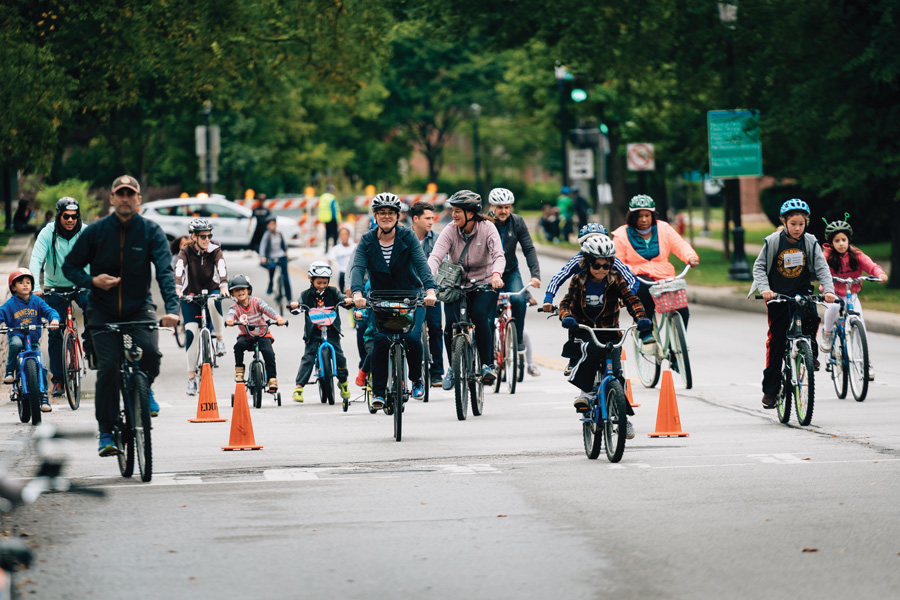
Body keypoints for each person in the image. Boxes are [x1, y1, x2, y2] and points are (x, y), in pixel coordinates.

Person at [62, 174, 180, 456]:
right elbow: (71, 267)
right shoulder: (97, 231)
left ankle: (144, 387)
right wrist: (92, 281)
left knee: (149, 353)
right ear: (112, 199)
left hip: (139, 306)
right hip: (102, 309)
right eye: (120, 194)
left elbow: (165, 272)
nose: (125, 199)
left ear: (139, 199)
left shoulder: (152, 232)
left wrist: (173, 310)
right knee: (109, 371)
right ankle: (106, 432)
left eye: (131, 194)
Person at [558, 236, 654, 439]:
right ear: (587, 262)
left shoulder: (615, 278)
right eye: (597, 265)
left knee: (617, 374)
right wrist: (566, 317)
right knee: (590, 352)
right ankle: (586, 394)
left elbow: (631, 299)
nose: (602, 269)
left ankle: (622, 418)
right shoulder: (578, 279)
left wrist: (642, 318)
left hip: (609, 330)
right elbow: (566, 303)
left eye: (607, 264)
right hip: (584, 330)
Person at [350, 192, 437, 409]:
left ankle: (416, 379)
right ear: (375, 216)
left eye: (390, 213)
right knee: (379, 339)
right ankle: (379, 392)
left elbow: (421, 264)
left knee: (413, 338)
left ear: (397, 216)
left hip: (411, 297)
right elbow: (358, 268)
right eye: (381, 213)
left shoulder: (407, 237)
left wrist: (430, 290)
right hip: (381, 299)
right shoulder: (368, 240)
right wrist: (358, 294)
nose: (386, 216)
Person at [747, 198, 835, 409]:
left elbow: (822, 268)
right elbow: (759, 268)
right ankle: (770, 390)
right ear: (784, 222)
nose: (797, 228)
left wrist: (829, 290)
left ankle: (809, 351)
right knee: (777, 341)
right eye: (793, 224)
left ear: (806, 223)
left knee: (813, 317)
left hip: (802, 291)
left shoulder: (810, 242)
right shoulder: (773, 241)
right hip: (777, 295)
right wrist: (765, 289)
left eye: (801, 224)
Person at [427, 190, 505, 388]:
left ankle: (487, 365)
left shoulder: (488, 228)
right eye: (452, 210)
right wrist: (427, 280)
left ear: (471, 213)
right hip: (456, 285)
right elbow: (436, 256)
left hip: (485, 283)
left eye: (458, 211)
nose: (453, 215)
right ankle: (452, 369)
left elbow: (498, 255)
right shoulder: (450, 229)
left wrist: (496, 275)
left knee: (479, 315)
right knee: (451, 324)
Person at [29, 197, 90, 399]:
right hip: (54, 287)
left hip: (81, 284)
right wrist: (36, 287)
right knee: (55, 332)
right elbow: (36, 259)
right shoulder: (48, 233)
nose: (71, 220)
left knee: (95, 308)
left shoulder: (86, 232)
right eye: (66, 216)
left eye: (74, 216)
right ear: (59, 216)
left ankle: (91, 346)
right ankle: (58, 380)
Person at [611, 194, 699, 328]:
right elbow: (617, 261)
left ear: (652, 215)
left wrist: (690, 257)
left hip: (664, 275)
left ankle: (677, 346)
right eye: (639, 216)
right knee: (645, 296)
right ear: (632, 217)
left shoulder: (664, 229)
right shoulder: (621, 235)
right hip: (638, 276)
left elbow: (679, 244)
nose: (644, 219)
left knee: (682, 309)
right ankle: (646, 335)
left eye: (647, 215)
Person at [819, 215, 887, 380]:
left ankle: (866, 363)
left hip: (851, 293)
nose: (841, 243)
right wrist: (818, 278)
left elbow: (870, 265)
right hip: (832, 293)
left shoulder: (856, 254)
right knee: (834, 307)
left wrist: (879, 273)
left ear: (849, 240)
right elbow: (818, 268)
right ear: (831, 243)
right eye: (837, 241)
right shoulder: (827, 256)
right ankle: (827, 333)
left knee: (859, 326)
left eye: (844, 239)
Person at [174, 218, 229, 396]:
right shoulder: (186, 250)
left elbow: (221, 266)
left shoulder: (215, 249)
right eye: (203, 236)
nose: (207, 239)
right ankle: (191, 379)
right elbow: (179, 268)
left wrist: (224, 284)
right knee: (191, 331)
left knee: (214, 301)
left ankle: (220, 340)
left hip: (211, 290)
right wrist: (177, 287)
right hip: (190, 293)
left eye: (209, 235)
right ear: (194, 236)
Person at [488, 188, 541, 355]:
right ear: (492, 206)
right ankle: (488, 346)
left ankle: (517, 338)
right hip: (488, 274)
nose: (504, 211)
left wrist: (535, 275)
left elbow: (529, 249)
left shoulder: (517, 222)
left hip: (510, 271)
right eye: (500, 207)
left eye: (507, 207)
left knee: (518, 299)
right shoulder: (485, 223)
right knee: (488, 310)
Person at [290, 262, 352, 403]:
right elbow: (298, 304)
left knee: (340, 357)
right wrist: (296, 305)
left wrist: (347, 301)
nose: (322, 285)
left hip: (331, 332)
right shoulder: (306, 295)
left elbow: (342, 299)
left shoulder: (333, 292)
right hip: (314, 333)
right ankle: (299, 387)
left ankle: (343, 384)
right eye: (319, 282)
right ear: (311, 280)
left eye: (325, 282)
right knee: (308, 357)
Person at [1, 268, 60, 413]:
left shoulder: (37, 301)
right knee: (16, 344)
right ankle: (10, 370)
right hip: (17, 336)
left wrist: (54, 319)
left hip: (33, 341)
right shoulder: (10, 304)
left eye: (28, 282)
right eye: (21, 282)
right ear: (13, 287)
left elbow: (50, 311)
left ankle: (44, 396)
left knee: (43, 365)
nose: (25, 285)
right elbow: (1, 314)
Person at [225, 274, 284, 391]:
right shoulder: (235, 307)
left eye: (243, 289)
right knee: (238, 346)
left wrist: (278, 318)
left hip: (262, 334)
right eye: (236, 290)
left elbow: (268, 310)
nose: (240, 292)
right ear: (232, 294)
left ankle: (272, 380)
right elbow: (230, 315)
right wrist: (229, 321)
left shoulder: (257, 302)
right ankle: (239, 371)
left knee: (269, 353)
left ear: (249, 290)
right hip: (246, 335)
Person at [410, 201, 444, 387]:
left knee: (436, 328)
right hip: (410, 293)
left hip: (432, 291)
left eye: (433, 218)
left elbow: (444, 263)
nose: (432, 221)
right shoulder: (404, 237)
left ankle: (437, 372)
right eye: (427, 218)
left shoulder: (438, 239)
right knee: (409, 333)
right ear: (416, 219)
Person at [259, 216, 293, 299]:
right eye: (271, 224)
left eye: (274, 224)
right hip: (271, 257)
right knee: (272, 268)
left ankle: (289, 298)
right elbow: (262, 246)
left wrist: (286, 252)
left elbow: (284, 245)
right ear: (268, 226)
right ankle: (271, 284)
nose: (273, 226)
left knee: (285, 277)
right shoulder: (267, 235)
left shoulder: (279, 234)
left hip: (281, 256)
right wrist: (262, 256)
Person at [328, 225, 356, 293]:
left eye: (345, 234)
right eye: (342, 234)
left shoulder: (355, 247)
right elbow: (331, 260)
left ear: (349, 235)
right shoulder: (336, 249)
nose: (344, 236)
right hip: (342, 273)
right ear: (339, 236)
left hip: (353, 273)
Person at [318, 184, 342, 251]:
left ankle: (326, 249)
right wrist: (338, 219)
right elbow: (334, 209)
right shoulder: (331, 197)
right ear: (331, 190)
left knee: (327, 234)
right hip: (332, 218)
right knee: (335, 235)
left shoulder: (322, 197)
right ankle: (335, 248)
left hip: (325, 219)